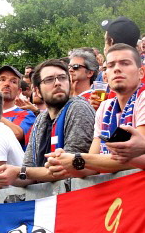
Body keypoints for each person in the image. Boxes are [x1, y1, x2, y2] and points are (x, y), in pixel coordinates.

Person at [0, 58, 95, 187]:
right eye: (49, 80)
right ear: (37, 91)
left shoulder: (78, 107)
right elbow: (28, 172)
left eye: (62, 78)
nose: (57, 83)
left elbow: (68, 169)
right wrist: (1, 177)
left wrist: (19, 172)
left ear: (70, 83)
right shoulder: (40, 120)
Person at [45, 44, 145, 177]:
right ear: (105, 75)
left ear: (141, 72)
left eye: (125, 63)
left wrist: (79, 159)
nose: (117, 69)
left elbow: (131, 158)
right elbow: (92, 166)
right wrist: (63, 163)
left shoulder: (143, 99)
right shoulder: (104, 107)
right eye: (110, 65)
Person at [0, 65, 36, 146]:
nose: (7, 84)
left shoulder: (27, 115)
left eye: (13, 82)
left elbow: (16, 134)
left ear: (19, 91)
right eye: (2, 80)